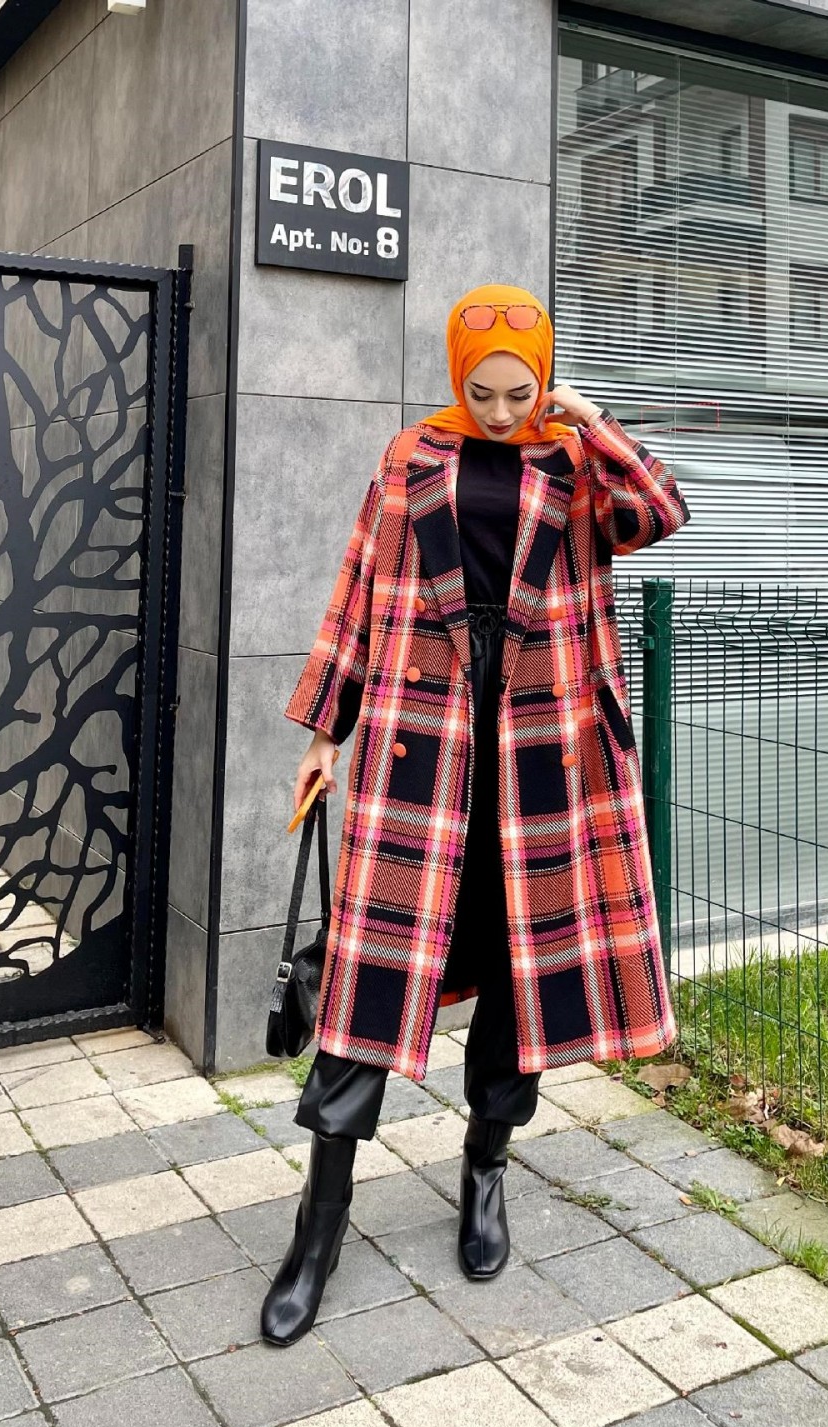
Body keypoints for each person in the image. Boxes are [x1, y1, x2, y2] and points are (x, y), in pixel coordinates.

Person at [261, 283, 689, 1345]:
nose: (500, 412)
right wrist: (324, 734)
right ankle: (319, 1224)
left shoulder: (573, 460)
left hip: (544, 749)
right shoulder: (412, 457)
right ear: (457, 375)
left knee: (515, 969)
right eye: (483, 392)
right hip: (425, 736)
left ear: (542, 379)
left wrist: (587, 418)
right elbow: (360, 591)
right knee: (370, 972)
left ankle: (486, 1167)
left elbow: (660, 513)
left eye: (520, 392)